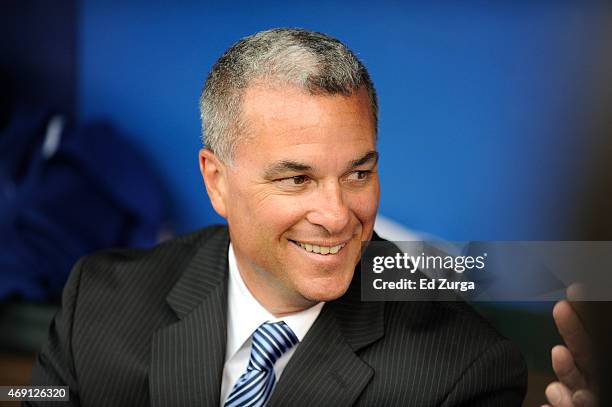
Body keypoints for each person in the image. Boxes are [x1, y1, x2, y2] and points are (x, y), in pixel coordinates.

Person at [29, 28, 528, 406]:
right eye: (296, 180)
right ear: (216, 181)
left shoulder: (462, 369)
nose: (337, 217)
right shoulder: (96, 302)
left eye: (358, 174)